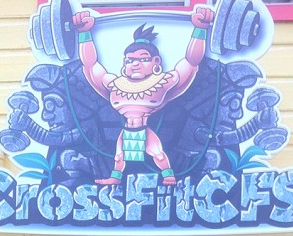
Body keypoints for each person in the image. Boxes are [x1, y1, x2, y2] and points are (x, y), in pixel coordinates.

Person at [72, 8, 215, 185]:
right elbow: (90, 66)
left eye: (143, 59)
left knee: (158, 154)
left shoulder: (163, 82)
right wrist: (84, 33)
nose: (135, 64)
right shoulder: (114, 84)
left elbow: (191, 62)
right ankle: (115, 178)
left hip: (144, 129)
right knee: (119, 156)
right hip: (127, 130)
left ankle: (169, 176)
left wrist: (200, 29)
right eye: (130, 60)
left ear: (156, 62)